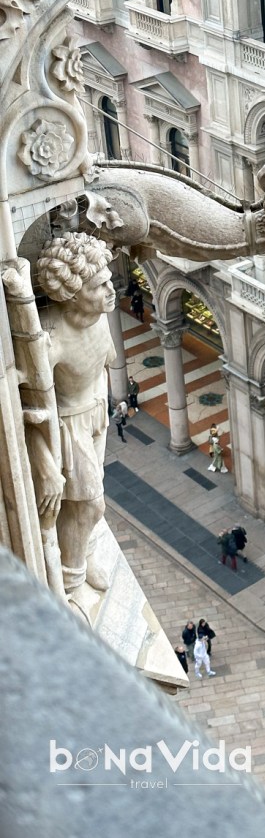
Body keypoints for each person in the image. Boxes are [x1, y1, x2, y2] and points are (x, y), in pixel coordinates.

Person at [32, 233, 118, 600]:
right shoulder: (50, 337)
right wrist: (45, 464)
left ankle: (83, 553)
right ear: (71, 294)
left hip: (96, 412)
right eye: (99, 286)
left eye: (109, 280)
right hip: (68, 424)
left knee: (88, 503)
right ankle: (71, 583)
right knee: (90, 504)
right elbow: (28, 411)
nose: (111, 290)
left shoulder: (100, 315)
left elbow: (104, 365)